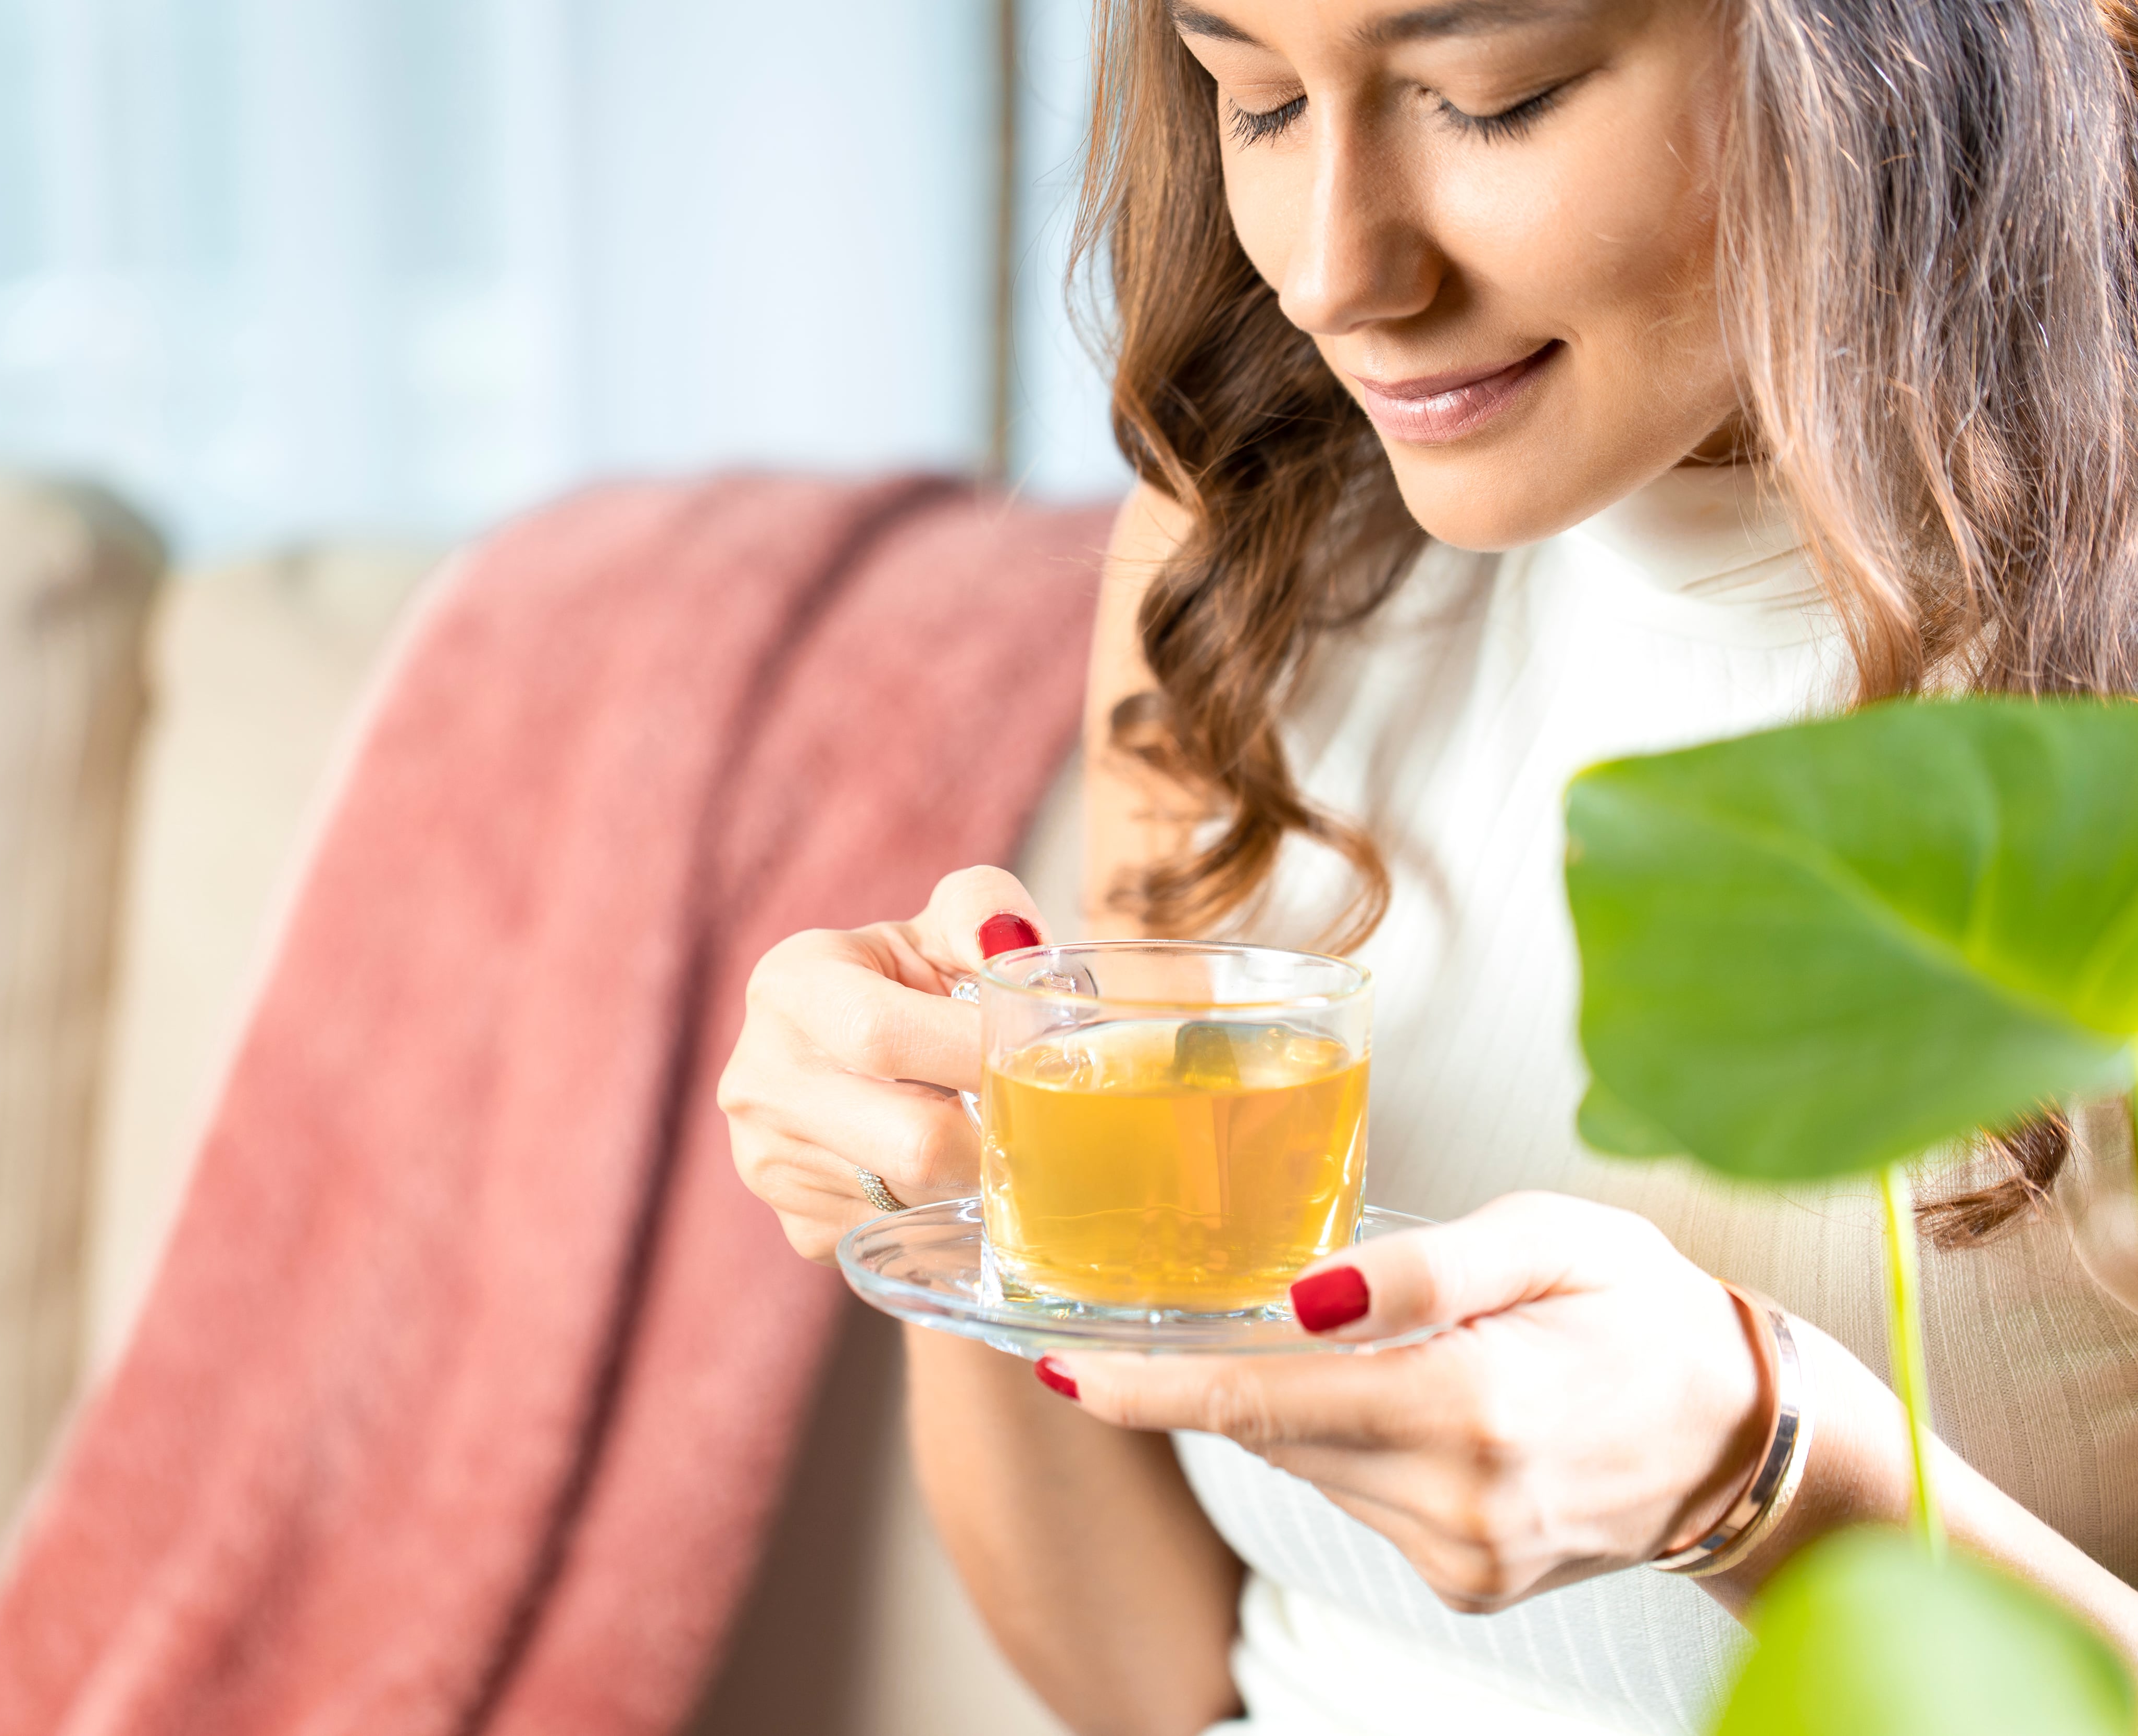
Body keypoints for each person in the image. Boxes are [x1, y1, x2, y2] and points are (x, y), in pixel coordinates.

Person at [718, 1, 2138, 1731]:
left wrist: (1765, 1475)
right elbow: (1154, 1676)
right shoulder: (1252, 555)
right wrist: (958, 1201)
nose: (1333, 276)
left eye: (1494, 99)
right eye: (1251, 99)